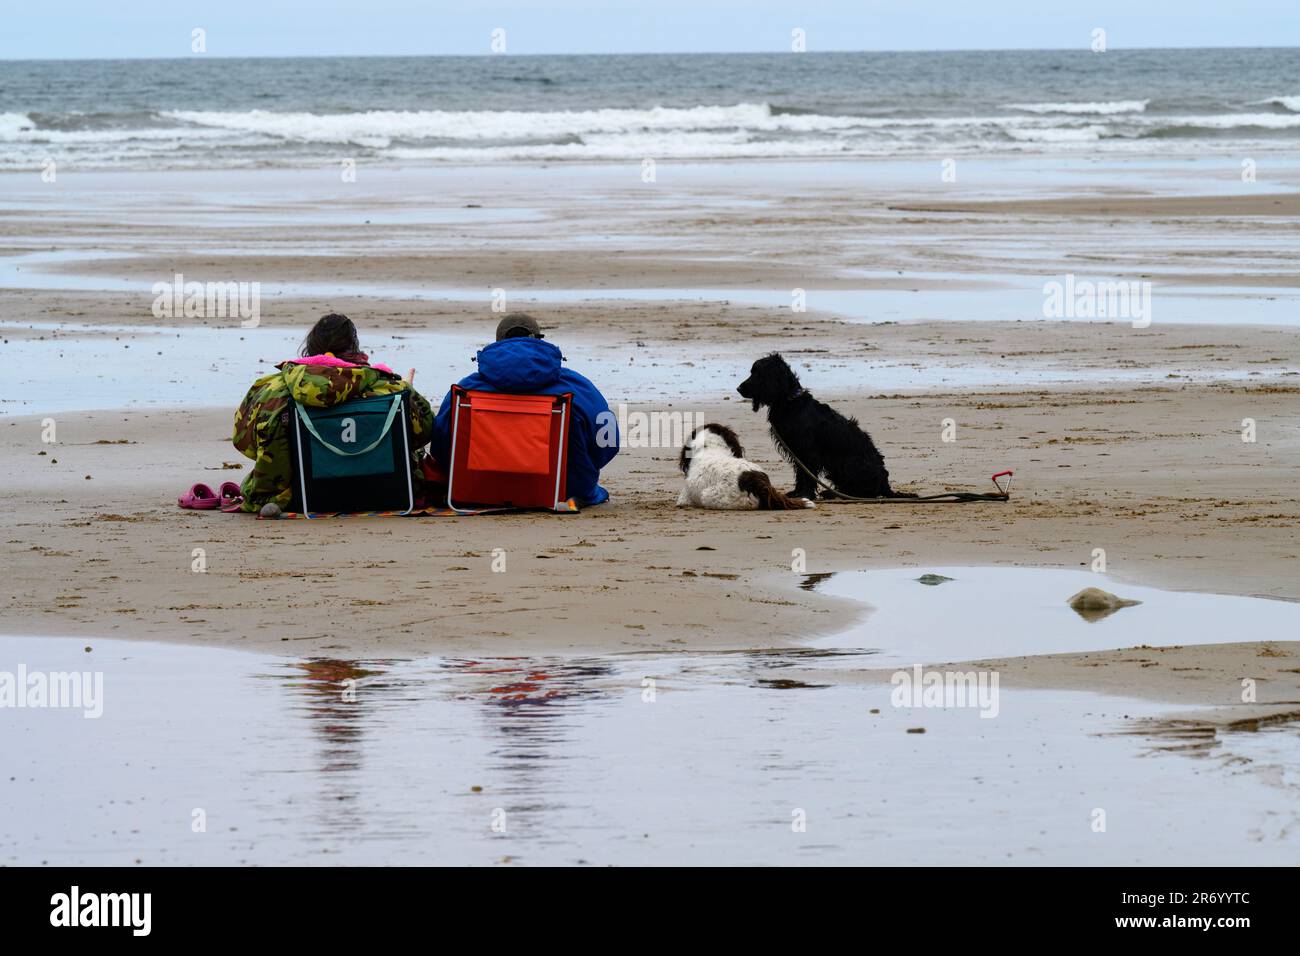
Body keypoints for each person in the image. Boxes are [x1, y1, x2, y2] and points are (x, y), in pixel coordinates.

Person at [232, 313, 435, 513]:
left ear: (310, 348)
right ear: (353, 348)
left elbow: (244, 443)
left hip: (296, 498)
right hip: (391, 493)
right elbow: (425, 432)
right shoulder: (393, 388)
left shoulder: (270, 391)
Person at [431, 313, 618, 505]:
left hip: (475, 490)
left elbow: (440, 443)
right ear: (538, 340)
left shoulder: (466, 390)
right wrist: (585, 468)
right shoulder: (577, 386)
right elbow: (608, 440)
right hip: (564, 491)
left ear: (499, 343)